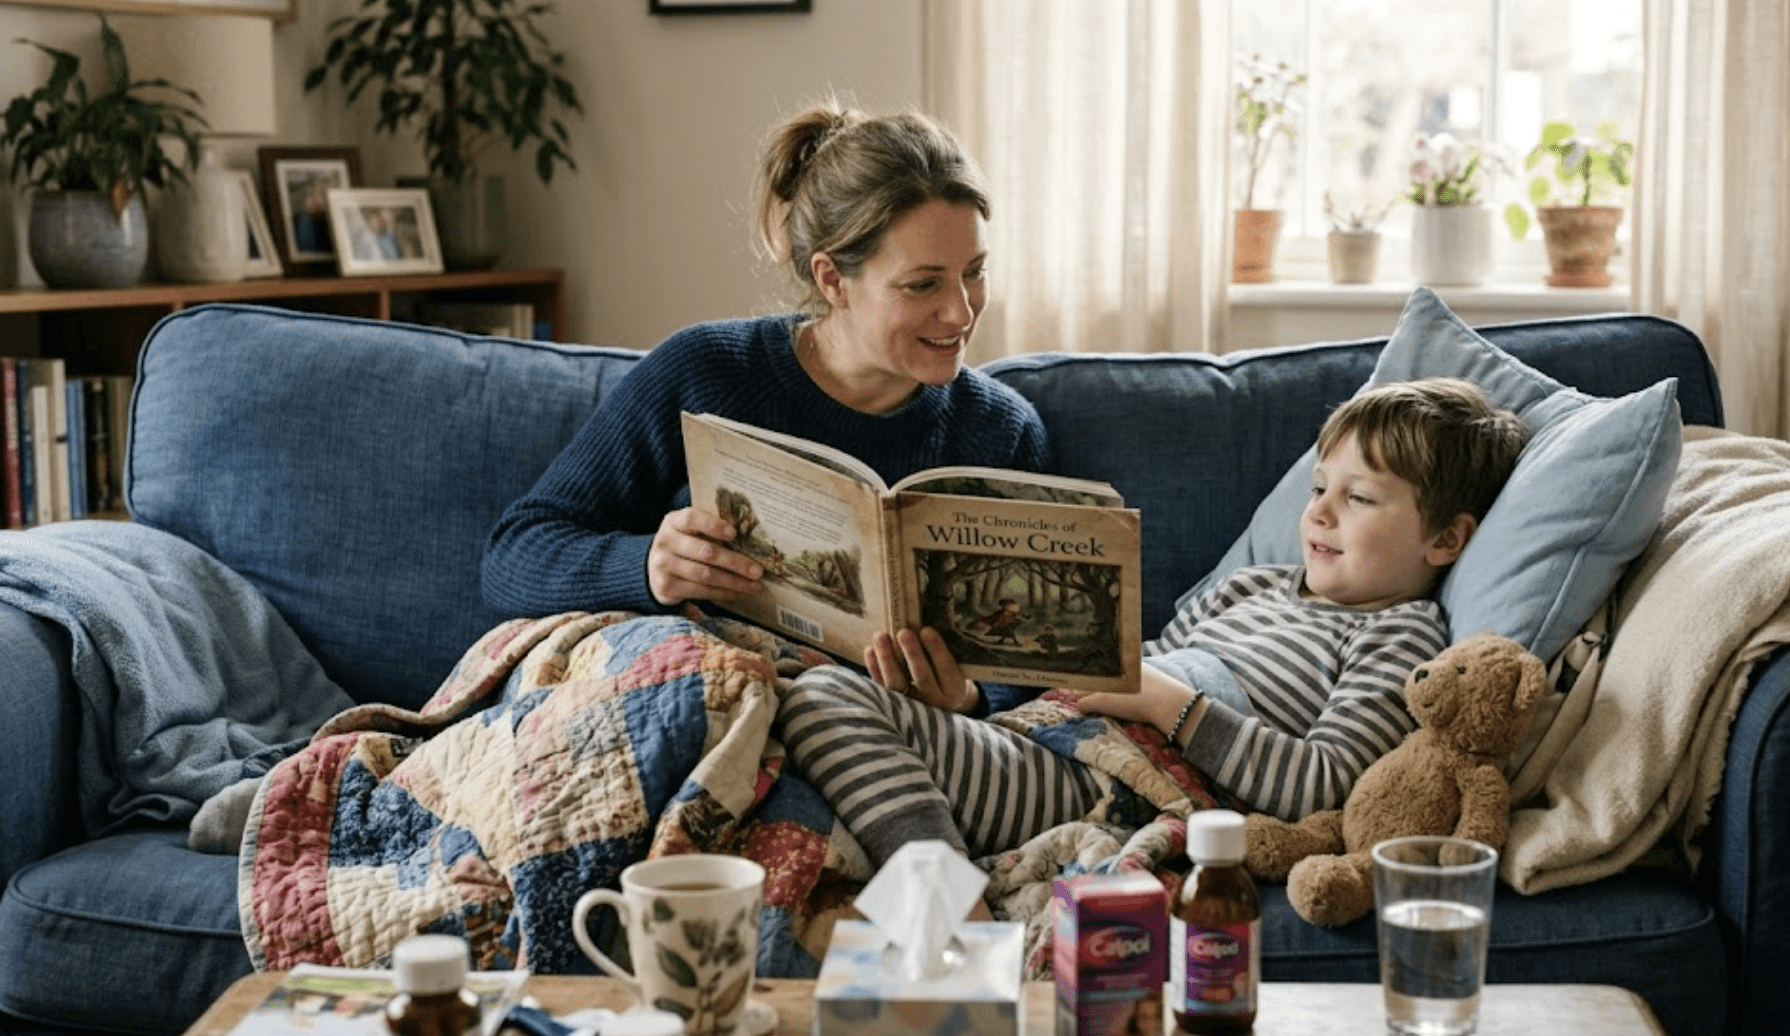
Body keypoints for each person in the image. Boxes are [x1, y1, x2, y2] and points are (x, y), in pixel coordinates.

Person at [774, 377, 1530, 869]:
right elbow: (1132, 667)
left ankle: (938, 897)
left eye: (1359, 498)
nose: (1320, 513)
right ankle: (932, 869)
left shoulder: (1400, 635)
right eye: (1319, 487)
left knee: (818, 705)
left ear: (1446, 540)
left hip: (1111, 784)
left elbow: (1328, 785)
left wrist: (1170, 702)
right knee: (810, 690)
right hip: (1044, 739)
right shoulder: (1251, 584)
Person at [481, 99, 1054, 621]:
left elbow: (1040, 652)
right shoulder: (704, 373)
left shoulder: (1003, 434)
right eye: (923, 285)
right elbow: (512, 558)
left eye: (974, 272)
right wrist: (646, 567)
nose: (960, 312)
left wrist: (970, 696)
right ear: (832, 279)